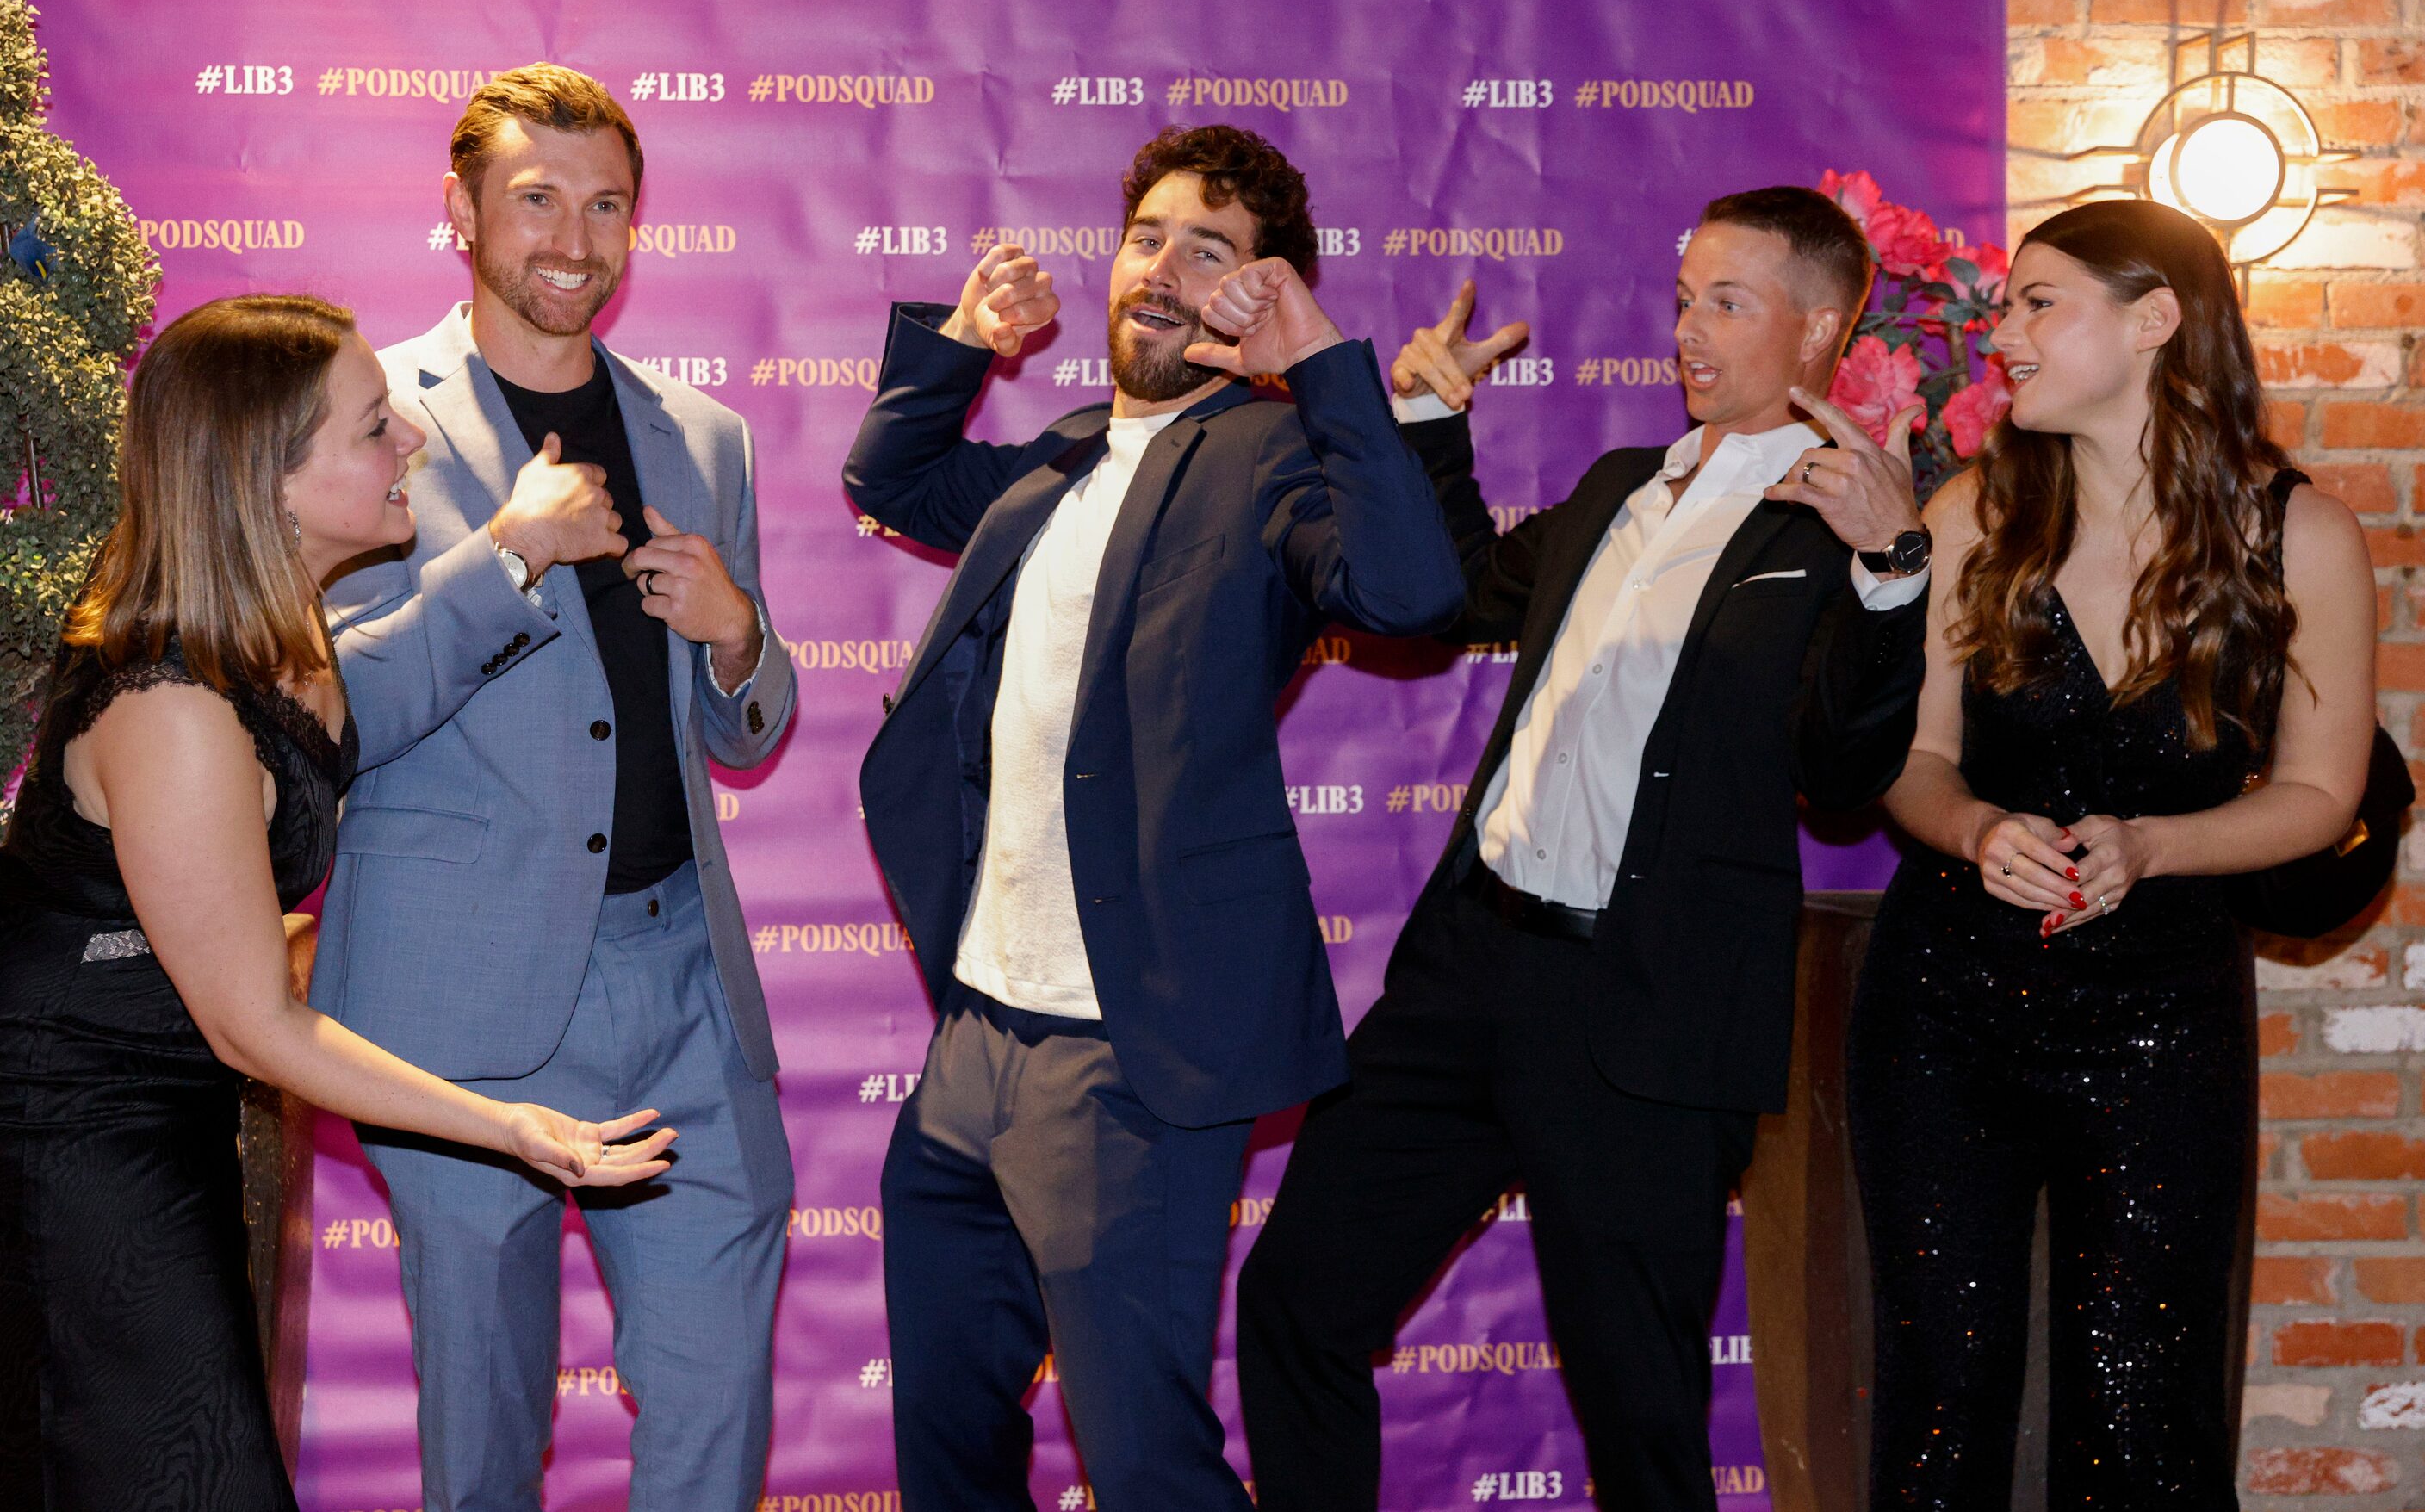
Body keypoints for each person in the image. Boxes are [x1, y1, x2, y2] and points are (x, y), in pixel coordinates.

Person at [1237, 187, 1934, 1511]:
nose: (1688, 329)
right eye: (1683, 300)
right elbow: (1444, 599)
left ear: (1820, 329)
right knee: (1296, 1298)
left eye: (1728, 301)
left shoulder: (1846, 527)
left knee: (1641, 1413)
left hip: (1647, 1015)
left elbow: (1846, 778)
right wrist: (1435, 422)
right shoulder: (1625, 483)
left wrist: (1893, 568)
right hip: (1466, 973)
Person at [846, 123, 1465, 1510]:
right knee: (945, 1439)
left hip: (1126, 1058)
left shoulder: (1273, 459)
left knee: (1145, 1467)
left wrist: (1317, 363)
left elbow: (1413, 596)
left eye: (1214, 251)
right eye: (1148, 238)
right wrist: (960, 342)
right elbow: (887, 478)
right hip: (973, 1039)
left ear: (1264, 292)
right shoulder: (1060, 454)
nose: (1166, 270)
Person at [0, 294, 673, 1511]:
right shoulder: (173, 703)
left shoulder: (280, 630)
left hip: (170, 1109)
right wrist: (517, 1126)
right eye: (373, 427)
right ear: (272, 479)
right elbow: (256, 1026)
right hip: (66, 1140)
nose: (412, 437)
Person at [311, 65, 797, 1512]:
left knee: (714, 1417)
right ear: (458, 211)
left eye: (605, 206)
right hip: (455, 1019)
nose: (573, 240)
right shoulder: (367, 416)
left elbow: (746, 733)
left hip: (684, 998)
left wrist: (742, 639)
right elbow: (333, 717)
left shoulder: (702, 437)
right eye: (535, 200)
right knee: (488, 1439)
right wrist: (509, 557)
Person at [1846, 198, 2375, 1507]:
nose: (2000, 331)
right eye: (2005, 304)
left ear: (2154, 321)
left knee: (2143, 1401)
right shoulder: (1973, 512)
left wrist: (2150, 842)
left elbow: (2319, 793)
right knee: (1941, 1392)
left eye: (2038, 303)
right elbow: (1909, 763)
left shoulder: (2298, 535)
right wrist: (1973, 827)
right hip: (1944, 1008)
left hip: (2162, 1017)